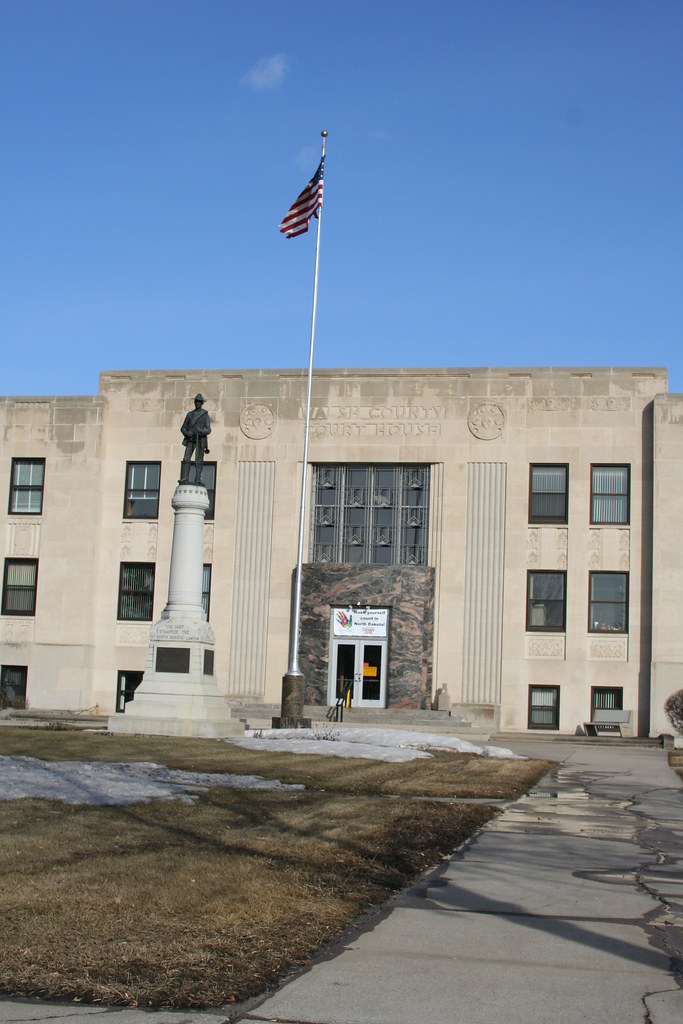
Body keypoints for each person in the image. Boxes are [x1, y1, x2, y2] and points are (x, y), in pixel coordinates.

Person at [180, 394, 211, 484]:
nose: (197, 403)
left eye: (199, 402)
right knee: (186, 458)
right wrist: (187, 433)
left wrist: (200, 430)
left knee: (199, 460)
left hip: (200, 439)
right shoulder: (189, 415)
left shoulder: (204, 415)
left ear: (201, 403)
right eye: (196, 401)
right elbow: (183, 428)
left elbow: (208, 429)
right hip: (190, 439)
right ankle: (185, 478)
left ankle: (198, 478)